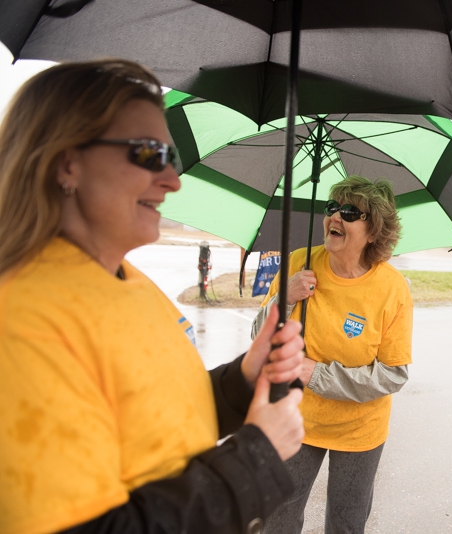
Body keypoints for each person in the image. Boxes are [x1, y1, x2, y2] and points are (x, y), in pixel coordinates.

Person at [0, 59, 307, 534]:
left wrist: (242, 379)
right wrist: (256, 458)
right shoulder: (22, 319)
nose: (172, 180)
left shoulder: (127, 278)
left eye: (172, 158)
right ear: (68, 162)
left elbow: (150, 414)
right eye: (148, 154)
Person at [251, 176, 413, 533]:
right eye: (332, 207)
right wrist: (286, 299)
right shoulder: (299, 262)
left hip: (360, 431)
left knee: (346, 524)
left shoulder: (392, 289)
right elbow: (259, 337)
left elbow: (392, 374)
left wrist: (317, 374)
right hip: (296, 420)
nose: (335, 217)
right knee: (278, 519)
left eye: (351, 212)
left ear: (374, 230)